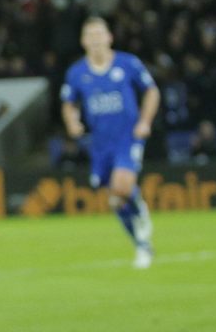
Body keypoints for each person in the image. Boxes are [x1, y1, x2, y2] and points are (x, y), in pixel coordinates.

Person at [60, 16, 161, 269]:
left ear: (109, 37)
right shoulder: (76, 73)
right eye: (90, 35)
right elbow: (69, 104)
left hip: (128, 137)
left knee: (121, 185)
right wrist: (72, 123)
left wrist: (145, 122)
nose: (95, 39)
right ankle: (142, 245)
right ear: (83, 41)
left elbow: (151, 91)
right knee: (115, 200)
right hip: (99, 143)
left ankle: (139, 210)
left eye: (99, 34)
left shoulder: (128, 63)